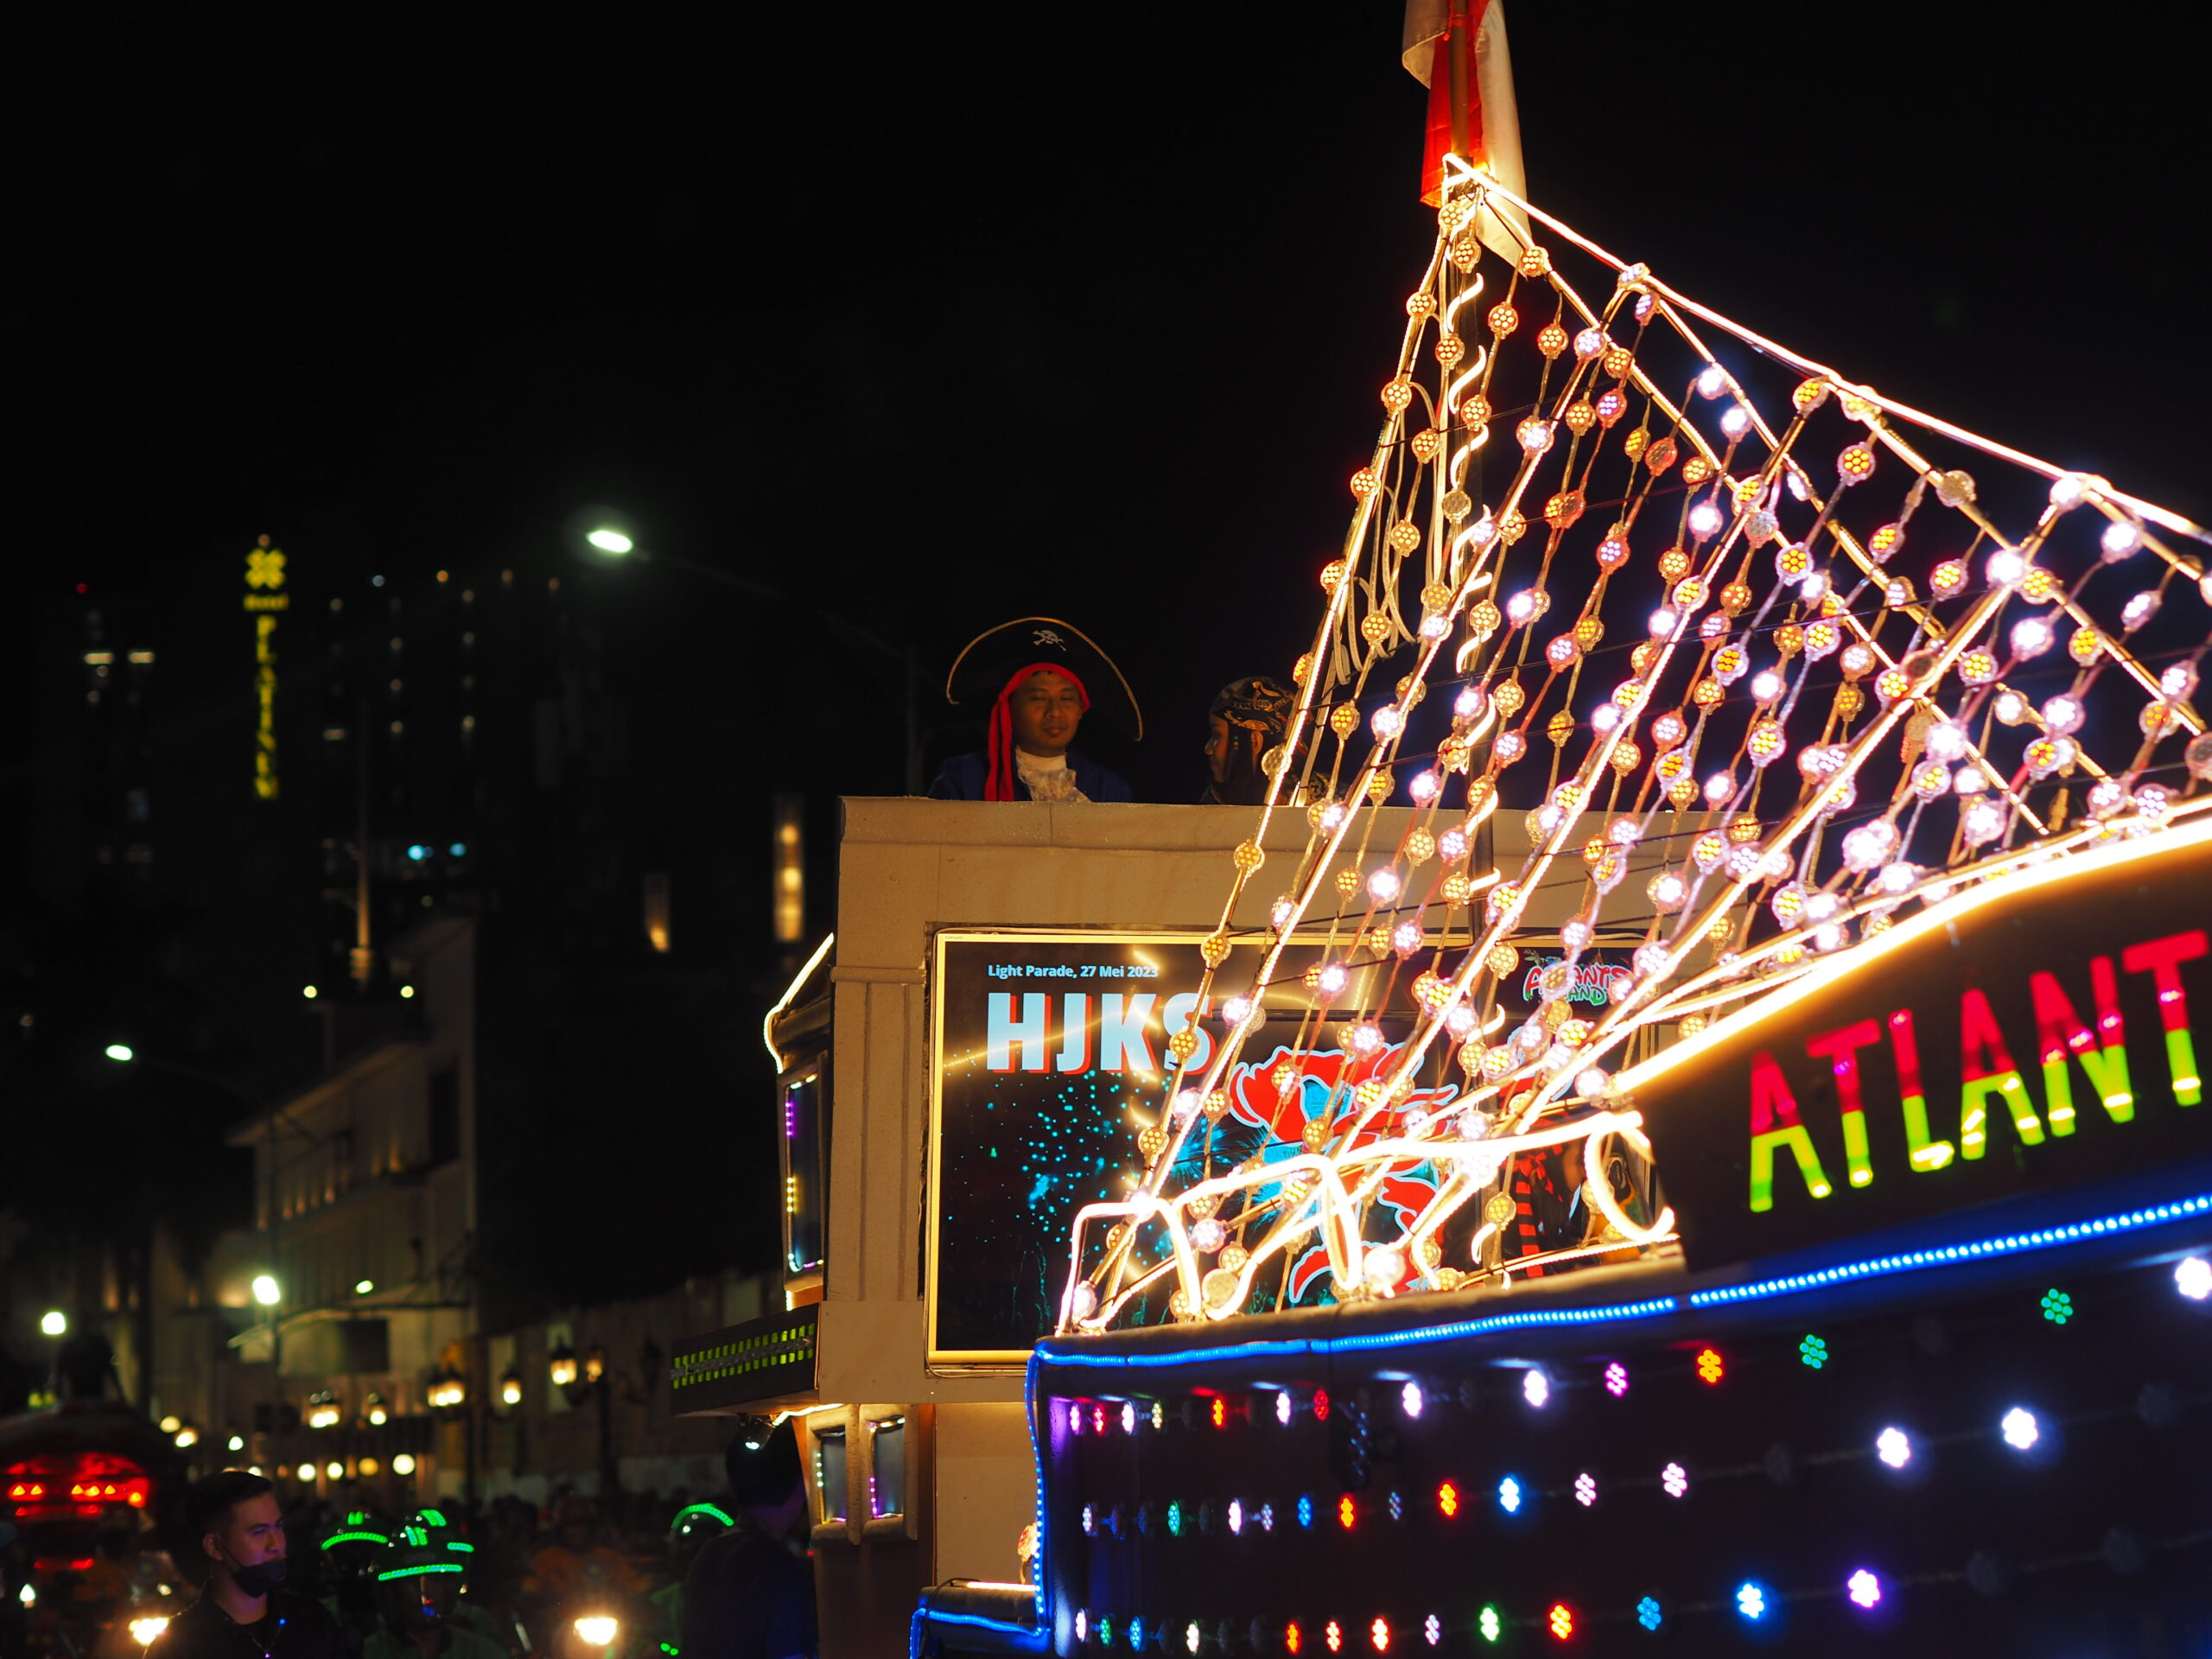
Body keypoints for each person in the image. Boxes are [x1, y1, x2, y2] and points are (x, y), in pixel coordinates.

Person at [928, 618, 1141, 802]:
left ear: (1081, 710)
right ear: (1009, 708)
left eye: (1066, 698)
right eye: (1038, 698)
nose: (1055, 711)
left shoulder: (1109, 789)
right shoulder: (963, 777)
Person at [148, 1470, 340, 1659]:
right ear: (214, 1546)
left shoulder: (313, 1622)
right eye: (259, 1532)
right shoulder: (178, 1646)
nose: (276, 1544)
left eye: (278, 1527)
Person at [679, 1421, 813, 1659]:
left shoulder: (707, 1555)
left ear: (732, 1487)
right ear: (800, 1489)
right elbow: (791, 1653)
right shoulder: (777, 1566)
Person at [362, 1518, 505, 1659]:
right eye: (410, 1582)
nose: (425, 1591)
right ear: (391, 1592)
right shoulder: (367, 1652)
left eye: (434, 1580)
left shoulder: (482, 1652)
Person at [1199, 676, 1297, 806]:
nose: (1208, 749)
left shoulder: (1314, 806)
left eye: (1217, 735)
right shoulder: (1212, 804)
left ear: (1254, 742)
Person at [647, 1503, 731, 1654]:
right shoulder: (661, 1599)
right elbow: (645, 1639)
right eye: (686, 1545)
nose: (690, 1551)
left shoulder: (734, 1600)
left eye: (699, 1546)